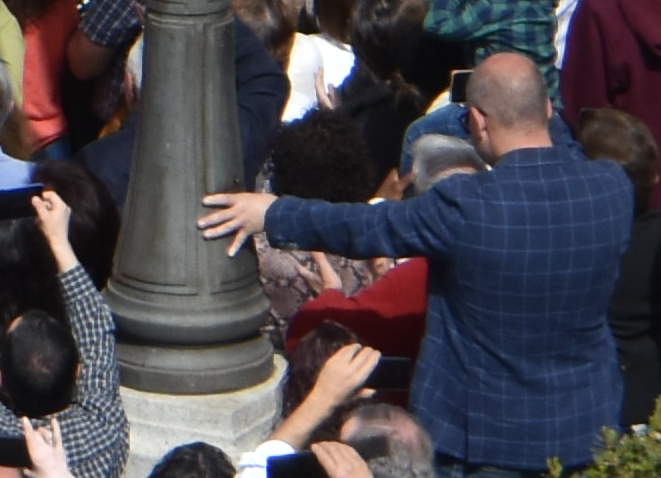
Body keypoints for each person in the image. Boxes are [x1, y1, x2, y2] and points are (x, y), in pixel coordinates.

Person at [196, 47, 630, 478]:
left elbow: (364, 226)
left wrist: (271, 212)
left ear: (478, 121)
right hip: (585, 430)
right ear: (548, 109)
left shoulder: (468, 204)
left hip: (484, 443)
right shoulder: (612, 189)